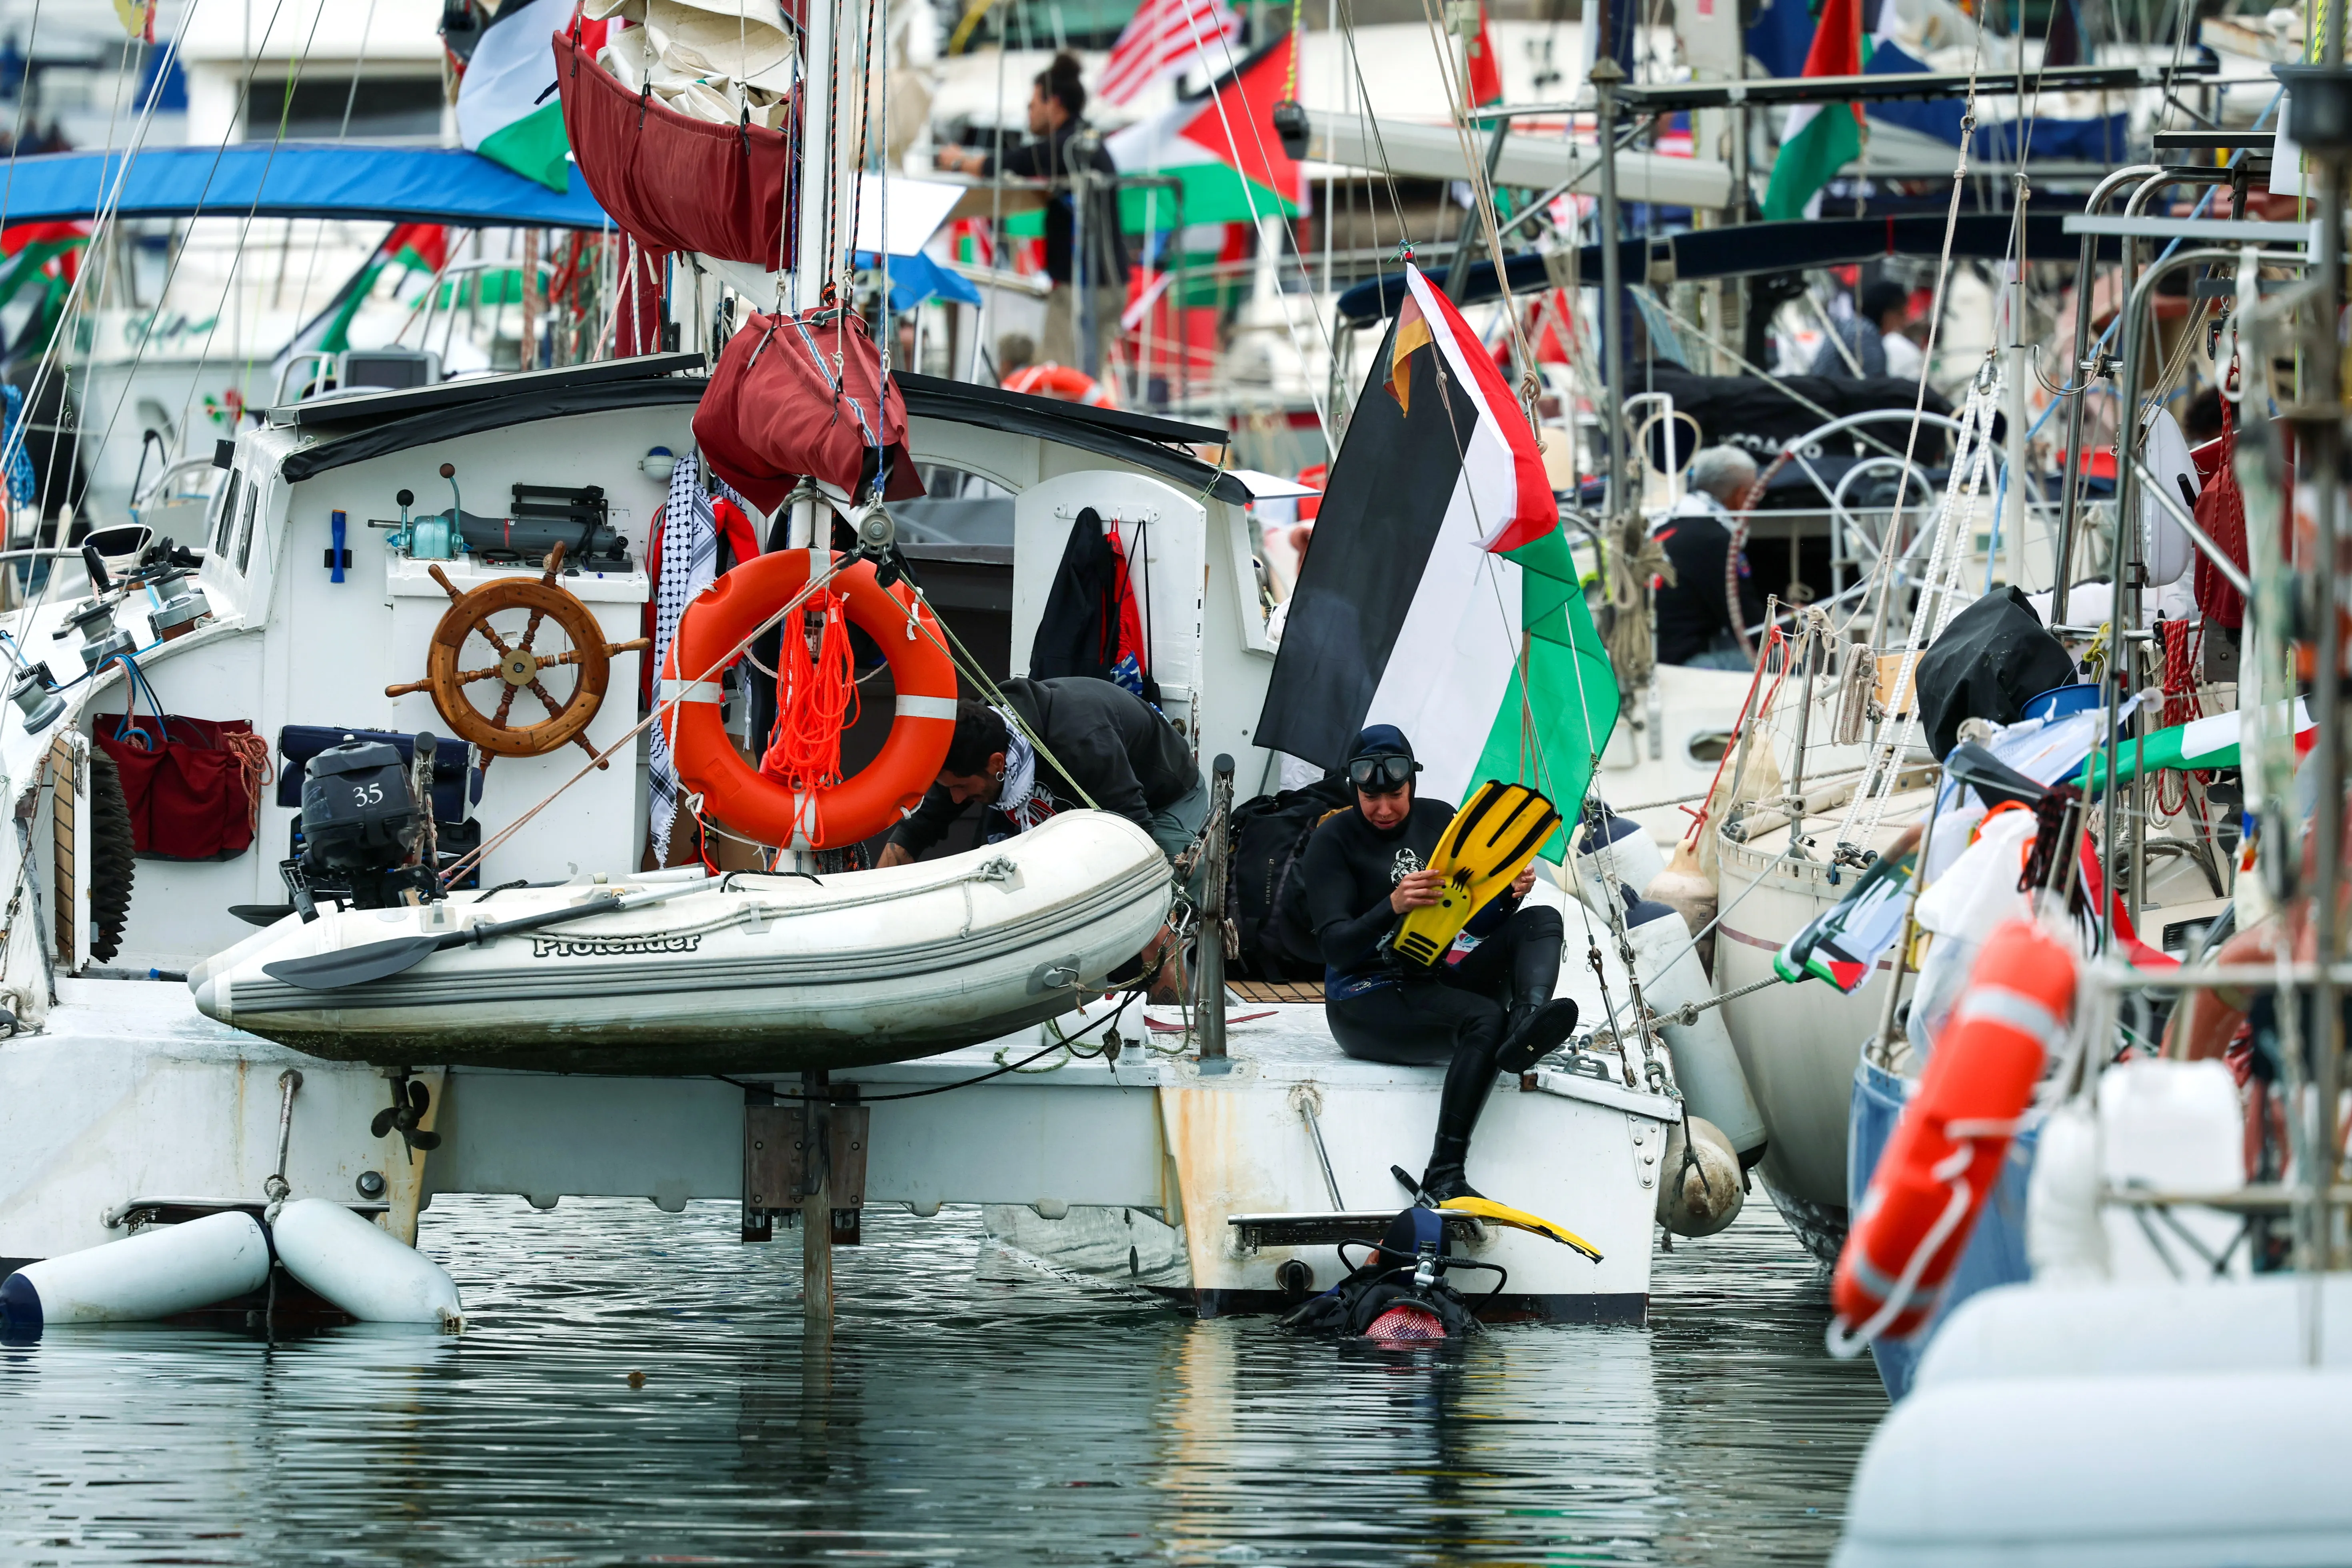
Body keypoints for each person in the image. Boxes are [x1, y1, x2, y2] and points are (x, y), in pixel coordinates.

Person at [1300, 727, 1579, 1202]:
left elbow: (1472, 918)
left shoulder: (1440, 821)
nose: (1384, 809)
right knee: (1482, 1019)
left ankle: (1526, 1028)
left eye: (1395, 794)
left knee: (1541, 920)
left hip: (1426, 972)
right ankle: (1444, 1172)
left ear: (1413, 785)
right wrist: (1392, 905)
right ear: (1354, 788)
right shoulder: (1333, 840)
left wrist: (1508, 895)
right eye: (1371, 797)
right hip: (1363, 997)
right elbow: (1336, 950)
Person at [935, 53, 1129, 379]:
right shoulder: (1086, 143)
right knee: (1086, 377)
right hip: (1109, 285)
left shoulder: (1067, 147)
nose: (1029, 112)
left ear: (1053, 104)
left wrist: (958, 162)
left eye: (1032, 104)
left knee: (1059, 381)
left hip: (1083, 288)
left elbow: (1016, 161)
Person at [875, 677, 1205, 867]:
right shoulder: (975, 738)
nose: (957, 798)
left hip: (1163, 800)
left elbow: (1138, 840)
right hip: (1074, 799)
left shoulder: (1083, 746)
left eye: (961, 787)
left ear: (997, 764)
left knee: (1167, 883)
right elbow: (916, 830)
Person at [1653, 446, 1769, 670]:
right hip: (1683, 663)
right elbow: (1749, 629)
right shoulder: (1715, 540)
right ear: (1741, 496)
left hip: (1657, 653)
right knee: (1791, 659)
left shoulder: (1668, 526)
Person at [1808, 280, 1923, 382]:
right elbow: (1875, 388)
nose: (1905, 321)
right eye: (1901, 314)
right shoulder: (1864, 336)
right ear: (1885, 313)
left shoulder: (1850, 326)